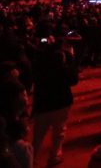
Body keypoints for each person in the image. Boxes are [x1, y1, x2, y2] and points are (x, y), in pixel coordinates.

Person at [30, 34, 77, 167]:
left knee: (38, 134)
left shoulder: (41, 68)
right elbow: (74, 79)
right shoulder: (62, 69)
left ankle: (31, 158)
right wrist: (70, 59)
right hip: (61, 103)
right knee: (59, 132)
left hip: (43, 105)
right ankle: (54, 156)